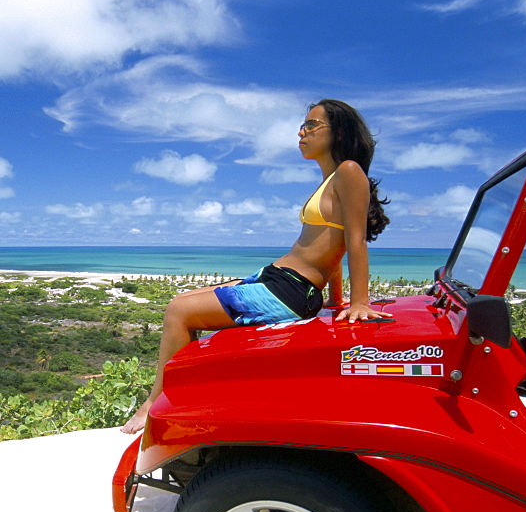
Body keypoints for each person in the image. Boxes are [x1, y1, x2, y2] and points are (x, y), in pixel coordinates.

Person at [120, 99, 391, 434]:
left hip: (290, 290)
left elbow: (355, 241)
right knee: (187, 298)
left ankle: (155, 405)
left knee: (178, 310)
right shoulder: (332, 179)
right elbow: (331, 249)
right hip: (278, 280)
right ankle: (187, 401)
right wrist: (336, 300)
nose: (301, 132)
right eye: (303, 125)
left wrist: (359, 302)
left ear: (337, 132)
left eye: (311, 125)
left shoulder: (349, 172)